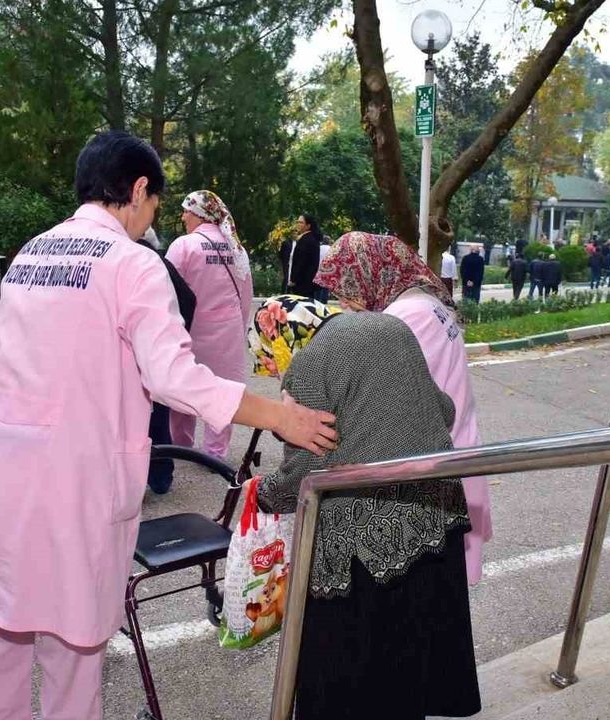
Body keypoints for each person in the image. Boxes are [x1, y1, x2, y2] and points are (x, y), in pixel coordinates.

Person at [0, 132, 337, 720]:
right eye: (153, 205)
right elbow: (175, 375)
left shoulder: (31, 253)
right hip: (65, 491)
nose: (152, 219)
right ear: (139, 189)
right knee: (72, 669)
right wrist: (280, 415)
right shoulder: (131, 263)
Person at [251, 303, 480, 720]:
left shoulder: (307, 366)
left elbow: (306, 466)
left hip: (364, 544)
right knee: (407, 661)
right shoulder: (390, 326)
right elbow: (442, 410)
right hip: (431, 513)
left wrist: (265, 494)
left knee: (352, 674)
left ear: (280, 342)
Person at [315, 232, 492, 586]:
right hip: (450, 462)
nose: (343, 303)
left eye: (346, 290)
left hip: (427, 482)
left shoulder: (403, 318)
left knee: (419, 601)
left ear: (370, 273)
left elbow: (372, 398)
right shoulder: (425, 304)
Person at [164, 190, 255, 461]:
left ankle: (182, 444)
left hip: (189, 329)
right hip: (226, 330)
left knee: (182, 385)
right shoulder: (236, 248)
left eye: (186, 211)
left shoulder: (184, 246)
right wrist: (239, 325)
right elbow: (246, 293)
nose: (183, 216)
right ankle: (215, 452)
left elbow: (167, 288)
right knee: (222, 389)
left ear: (199, 214)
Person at [140, 228, 197, 495]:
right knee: (158, 417)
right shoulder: (160, 262)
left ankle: (138, 482)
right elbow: (189, 298)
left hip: (134, 359)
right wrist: (177, 335)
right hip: (156, 358)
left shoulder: (134, 260)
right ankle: (161, 478)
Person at [288, 214, 323, 298]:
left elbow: (300, 262)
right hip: (308, 281)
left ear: (308, 226)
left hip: (303, 282)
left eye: (301, 222)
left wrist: (294, 279)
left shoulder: (306, 240)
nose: (298, 224)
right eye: (298, 222)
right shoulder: (311, 238)